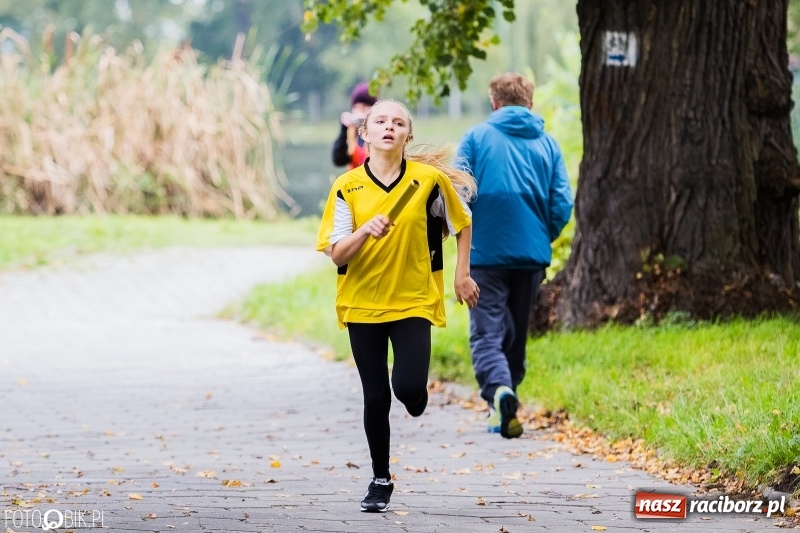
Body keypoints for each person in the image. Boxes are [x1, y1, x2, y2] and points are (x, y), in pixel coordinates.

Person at [317, 99, 480, 512]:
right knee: (376, 396)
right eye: (381, 121)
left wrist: (462, 275)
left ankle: (416, 394)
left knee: (407, 389)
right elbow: (337, 254)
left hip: (413, 300)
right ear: (365, 134)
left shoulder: (427, 181)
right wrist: (364, 232)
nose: (389, 127)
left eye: (399, 122)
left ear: (408, 135)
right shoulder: (346, 187)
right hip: (362, 303)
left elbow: (462, 223)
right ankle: (379, 479)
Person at [457, 72, 573, 439]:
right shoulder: (549, 144)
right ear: (530, 103)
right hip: (530, 256)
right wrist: (542, 236)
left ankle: (499, 392)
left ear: (494, 103)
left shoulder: (475, 138)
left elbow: (457, 192)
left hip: (485, 253)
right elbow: (562, 203)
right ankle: (505, 404)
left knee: (487, 332)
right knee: (515, 333)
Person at [332, 81, 377, 169]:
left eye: (364, 107)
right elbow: (339, 160)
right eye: (356, 107)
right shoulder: (351, 132)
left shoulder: (381, 130)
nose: (360, 111)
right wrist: (344, 128)